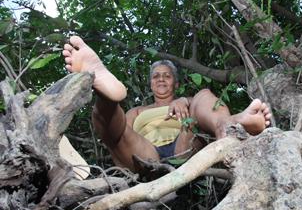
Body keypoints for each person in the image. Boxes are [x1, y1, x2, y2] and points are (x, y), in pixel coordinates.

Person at [62, 36, 272, 172]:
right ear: (151, 84)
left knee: (204, 94)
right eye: (156, 77)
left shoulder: (189, 103)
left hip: (186, 146)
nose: (161, 79)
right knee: (114, 129)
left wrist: (185, 101)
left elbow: (199, 106)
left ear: (176, 83)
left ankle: (229, 127)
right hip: (145, 155)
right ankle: (106, 95)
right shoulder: (138, 111)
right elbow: (119, 134)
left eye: (167, 76)